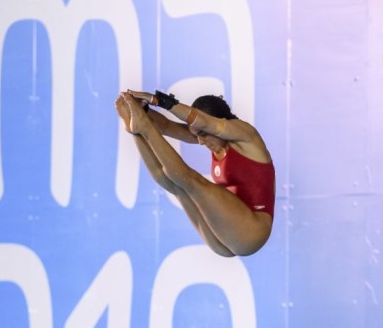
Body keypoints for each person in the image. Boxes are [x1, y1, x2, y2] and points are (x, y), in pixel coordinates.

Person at [114, 89, 275, 256]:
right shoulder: (209, 135)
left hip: (252, 233)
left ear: (219, 120)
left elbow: (206, 123)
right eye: (196, 135)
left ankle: (143, 127)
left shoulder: (246, 136)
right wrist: (142, 110)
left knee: (192, 181)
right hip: (224, 239)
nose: (200, 141)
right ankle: (136, 131)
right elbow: (167, 126)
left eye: (203, 135)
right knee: (174, 186)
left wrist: (158, 100)